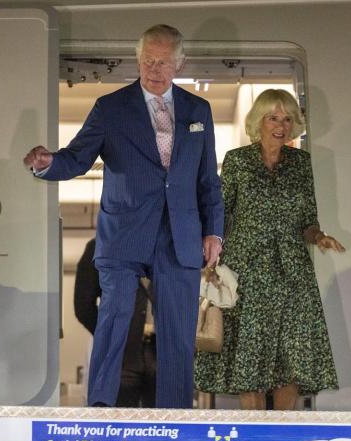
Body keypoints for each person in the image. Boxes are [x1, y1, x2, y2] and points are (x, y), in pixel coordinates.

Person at [24, 24, 223, 409]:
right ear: (137, 59)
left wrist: (214, 231)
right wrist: (48, 163)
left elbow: (207, 180)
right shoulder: (111, 108)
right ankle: (100, 406)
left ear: (179, 64)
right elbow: (76, 157)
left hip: (179, 234)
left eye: (163, 62)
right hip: (124, 233)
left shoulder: (199, 111)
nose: (154, 69)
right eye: (148, 60)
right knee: (114, 314)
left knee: (178, 331)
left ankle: (175, 415)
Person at [194, 89, 344, 410]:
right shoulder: (238, 161)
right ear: (258, 122)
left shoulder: (301, 164)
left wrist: (320, 237)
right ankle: (254, 436)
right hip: (246, 272)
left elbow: (308, 220)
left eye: (288, 119)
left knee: (291, 357)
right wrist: (210, 256)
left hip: (292, 274)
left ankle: (283, 433)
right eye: (273, 118)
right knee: (250, 359)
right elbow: (220, 213)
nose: (281, 125)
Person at [74, 237, 157, 407]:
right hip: (120, 357)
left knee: (163, 426)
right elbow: (83, 306)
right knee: (118, 422)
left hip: (159, 353)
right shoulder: (99, 246)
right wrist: (110, 336)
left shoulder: (166, 243)